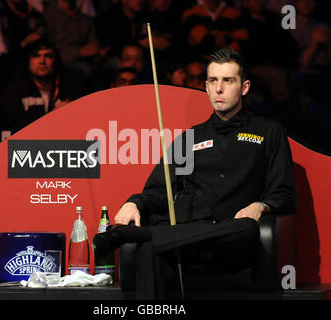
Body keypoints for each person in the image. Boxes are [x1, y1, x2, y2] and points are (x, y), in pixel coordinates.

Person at [93, 48, 296, 299]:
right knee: (148, 252)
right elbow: (159, 190)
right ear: (206, 86)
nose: (219, 88)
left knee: (246, 228)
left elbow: (284, 194)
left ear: (244, 87)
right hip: (183, 246)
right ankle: (147, 238)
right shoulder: (191, 138)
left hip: (230, 245)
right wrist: (133, 202)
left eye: (228, 80)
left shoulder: (268, 131)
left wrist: (261, 205)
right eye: (213, 81)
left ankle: (132, 235)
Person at [1, 39, 87, 133]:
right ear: (28, 62)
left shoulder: (68, 88)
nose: (42, 61)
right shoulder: (15, 90)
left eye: (48, 56)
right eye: (36, 56)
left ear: (55, 61)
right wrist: (53, 117)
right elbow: (15, 128)